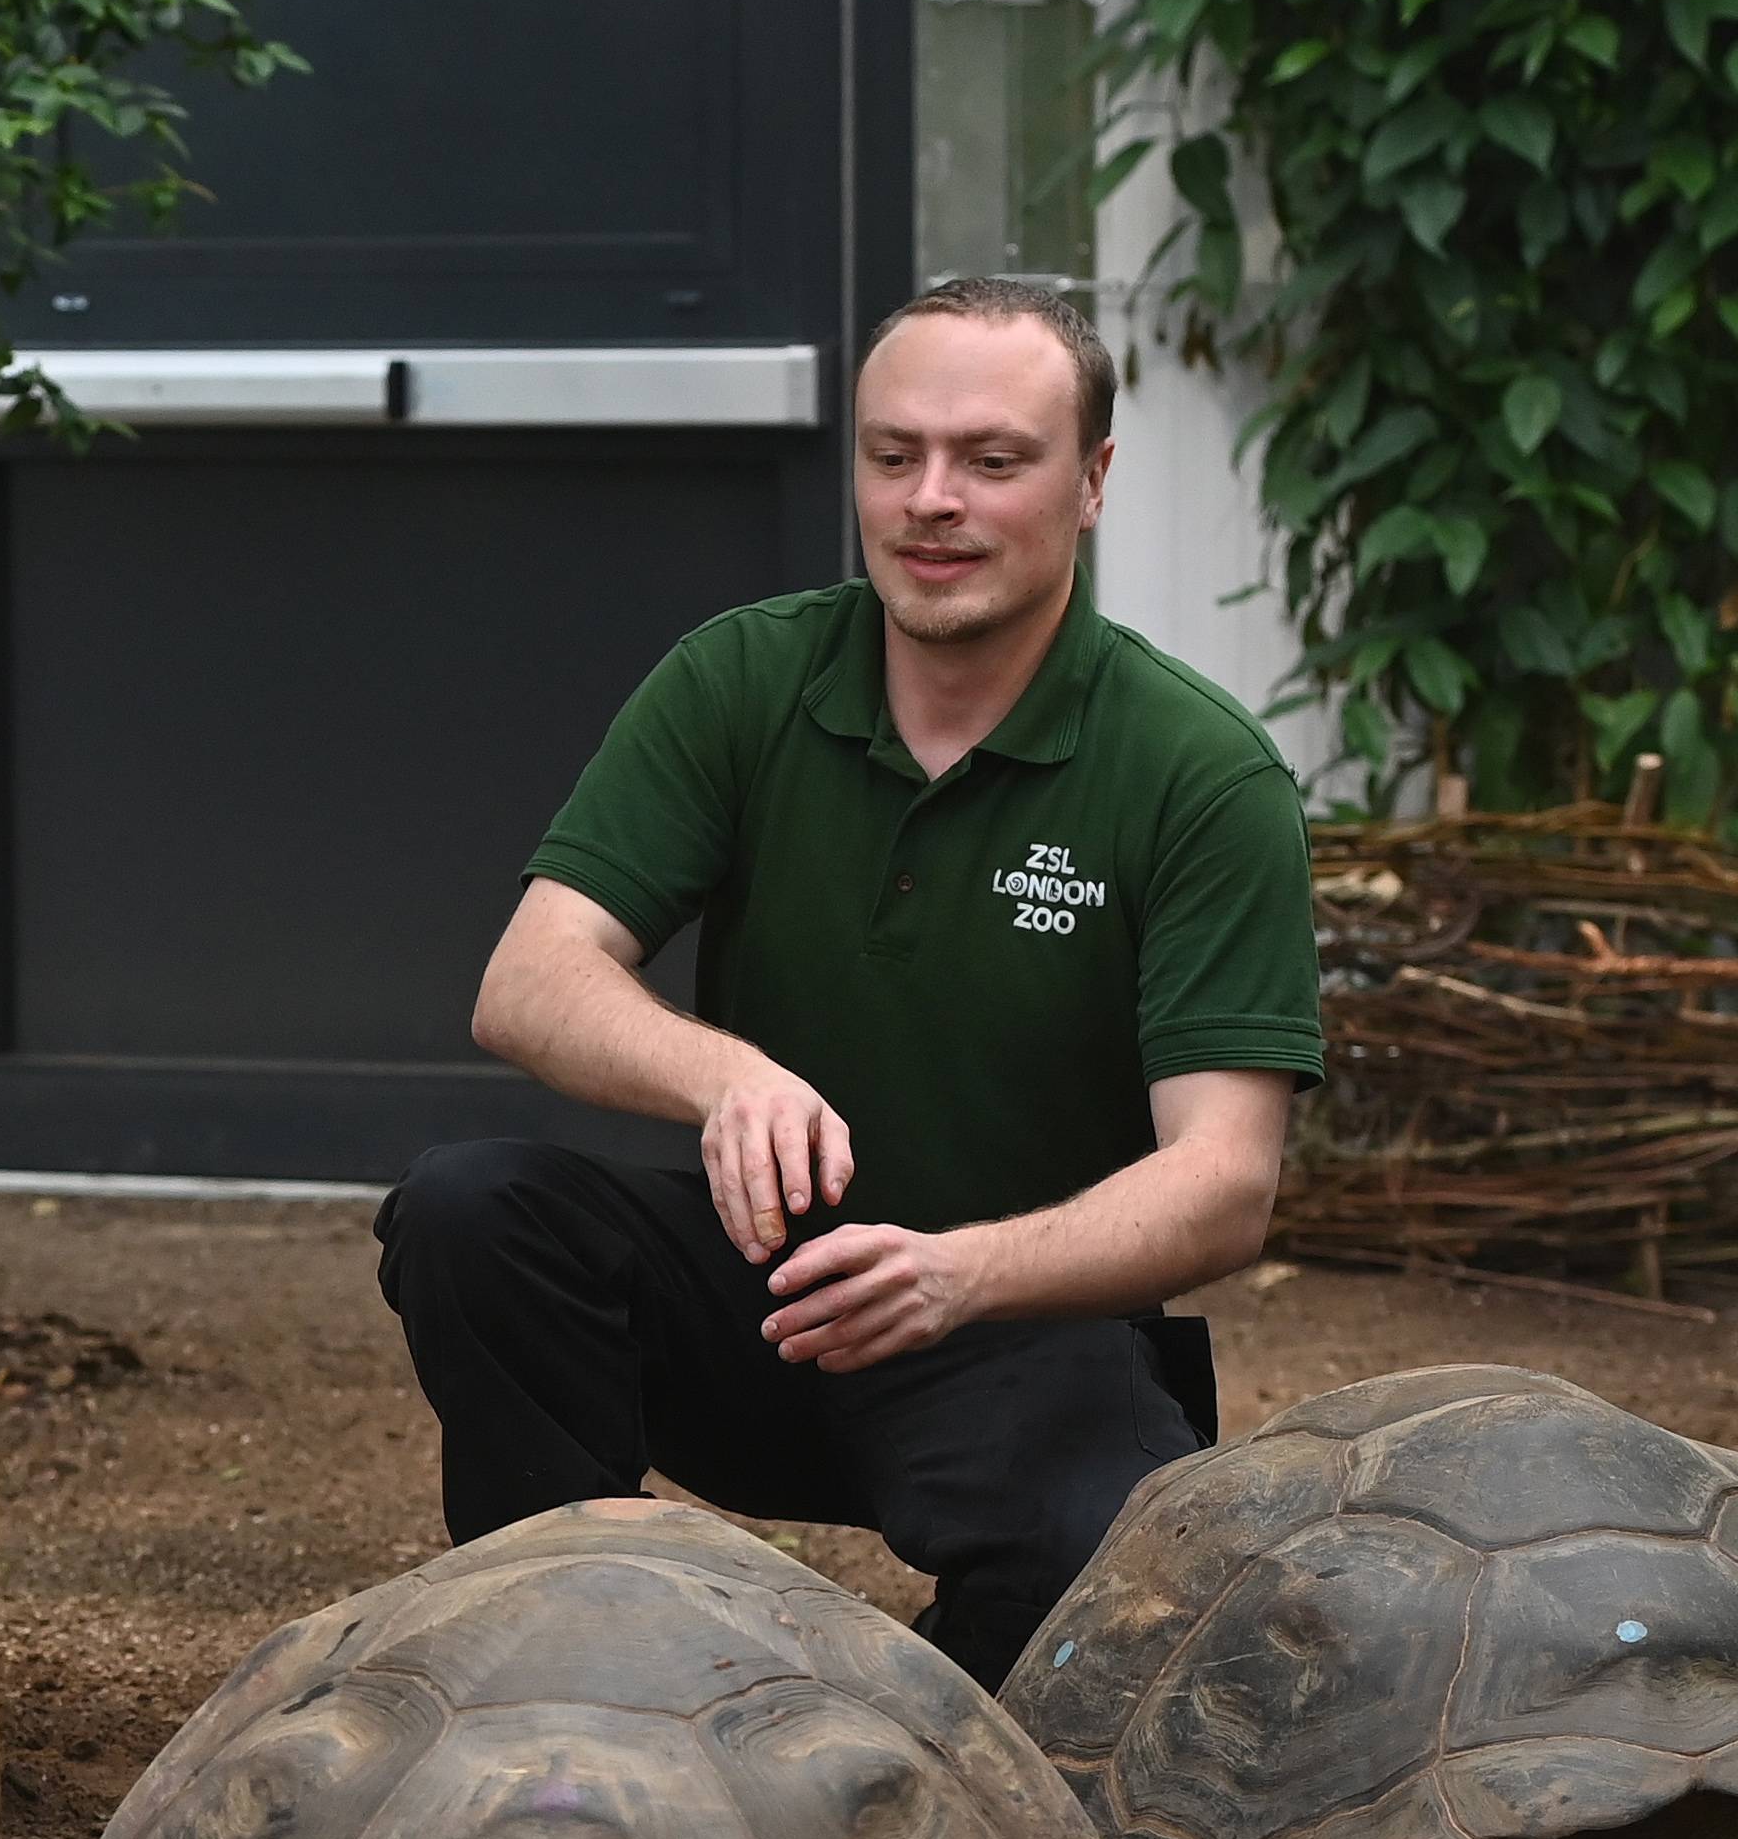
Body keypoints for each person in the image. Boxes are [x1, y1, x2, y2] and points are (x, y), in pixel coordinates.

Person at [375, 275, 1319, 1690]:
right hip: (768, 1294)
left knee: (1115, 1598)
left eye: (993, 461)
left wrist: (961, 1273)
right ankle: (558, 1674)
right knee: (474, 1212)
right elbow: (529, 979)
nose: (932, 500)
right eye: (894, 457)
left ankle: (889, 1745)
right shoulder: (743, 678)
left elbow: (1226, 1182)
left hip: (1018, 1326)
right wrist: (726, 1073)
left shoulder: (1198, 773)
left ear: (1091, 481)